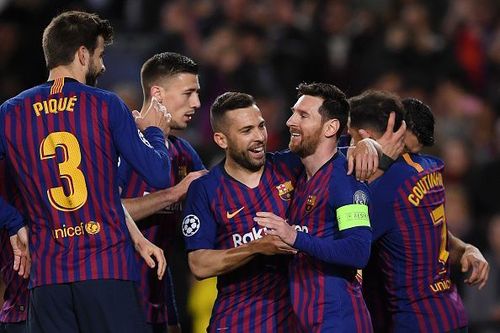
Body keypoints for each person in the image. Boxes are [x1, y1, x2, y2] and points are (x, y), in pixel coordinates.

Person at [0, 10, 172, 333]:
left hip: (48, 279)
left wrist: (12, 221)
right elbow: (159, 174)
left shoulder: (9, 113)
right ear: (82, 54)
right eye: (100, 54)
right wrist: (155, 133)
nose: (103, 65)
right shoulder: (107, 105)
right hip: (107, 270)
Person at [255, 82, 373, 332]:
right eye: (293, 112)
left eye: (303, 115)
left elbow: (358, 251)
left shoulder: (345, 180)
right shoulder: (300, 174)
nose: (289, 121)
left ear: (331, 127)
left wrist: (294, 236)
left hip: (339, 321)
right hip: (306, 321)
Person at [182, 92, 303, 332]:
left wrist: (365, 145)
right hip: (238, 322)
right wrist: (256, 247)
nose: (259, 137)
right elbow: (199, 265)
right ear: (221, 140)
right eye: (246, 131)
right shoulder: (206, 189)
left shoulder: (290, 166)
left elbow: (333, 154)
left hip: (294, 321)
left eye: (261, 126)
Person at [349, 90, 468, 333]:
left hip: (417, 321)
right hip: (452, 311)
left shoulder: (389, 185)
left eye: (351, 140)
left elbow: (352, 244)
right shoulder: (431, 167)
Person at [120, 52, 207, 333]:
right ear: (157, 93)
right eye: (188, 93)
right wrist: (173, 194)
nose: (196, 103)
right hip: (118, 293)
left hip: (159, 292)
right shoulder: (122, 145)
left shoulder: (184, 153)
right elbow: (107, 208)